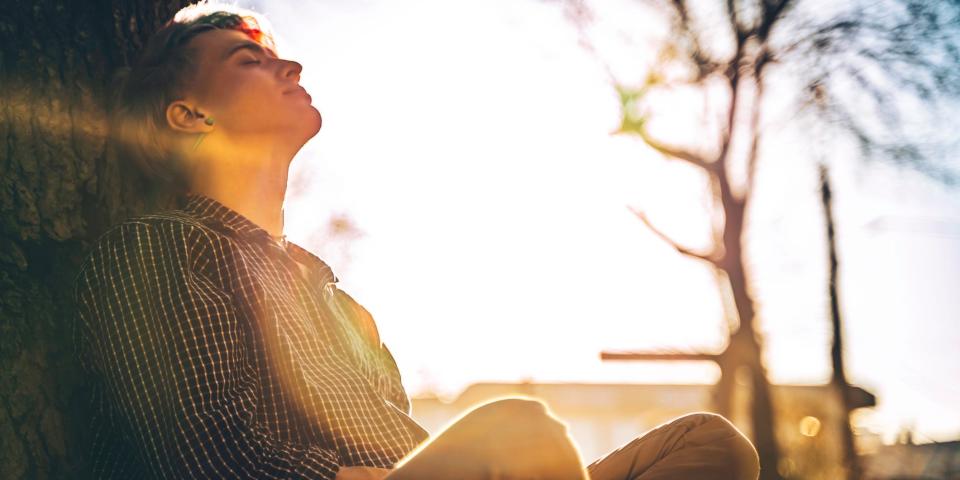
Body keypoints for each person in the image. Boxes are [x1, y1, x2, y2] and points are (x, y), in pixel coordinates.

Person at [72, 1, 761, 479]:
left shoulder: (337, 303)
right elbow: (210, 464)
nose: (292, 69)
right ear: (189, 115)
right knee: (522, 430)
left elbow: (409, 445)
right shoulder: (159, 251)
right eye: (247, 61)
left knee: (711, 446)